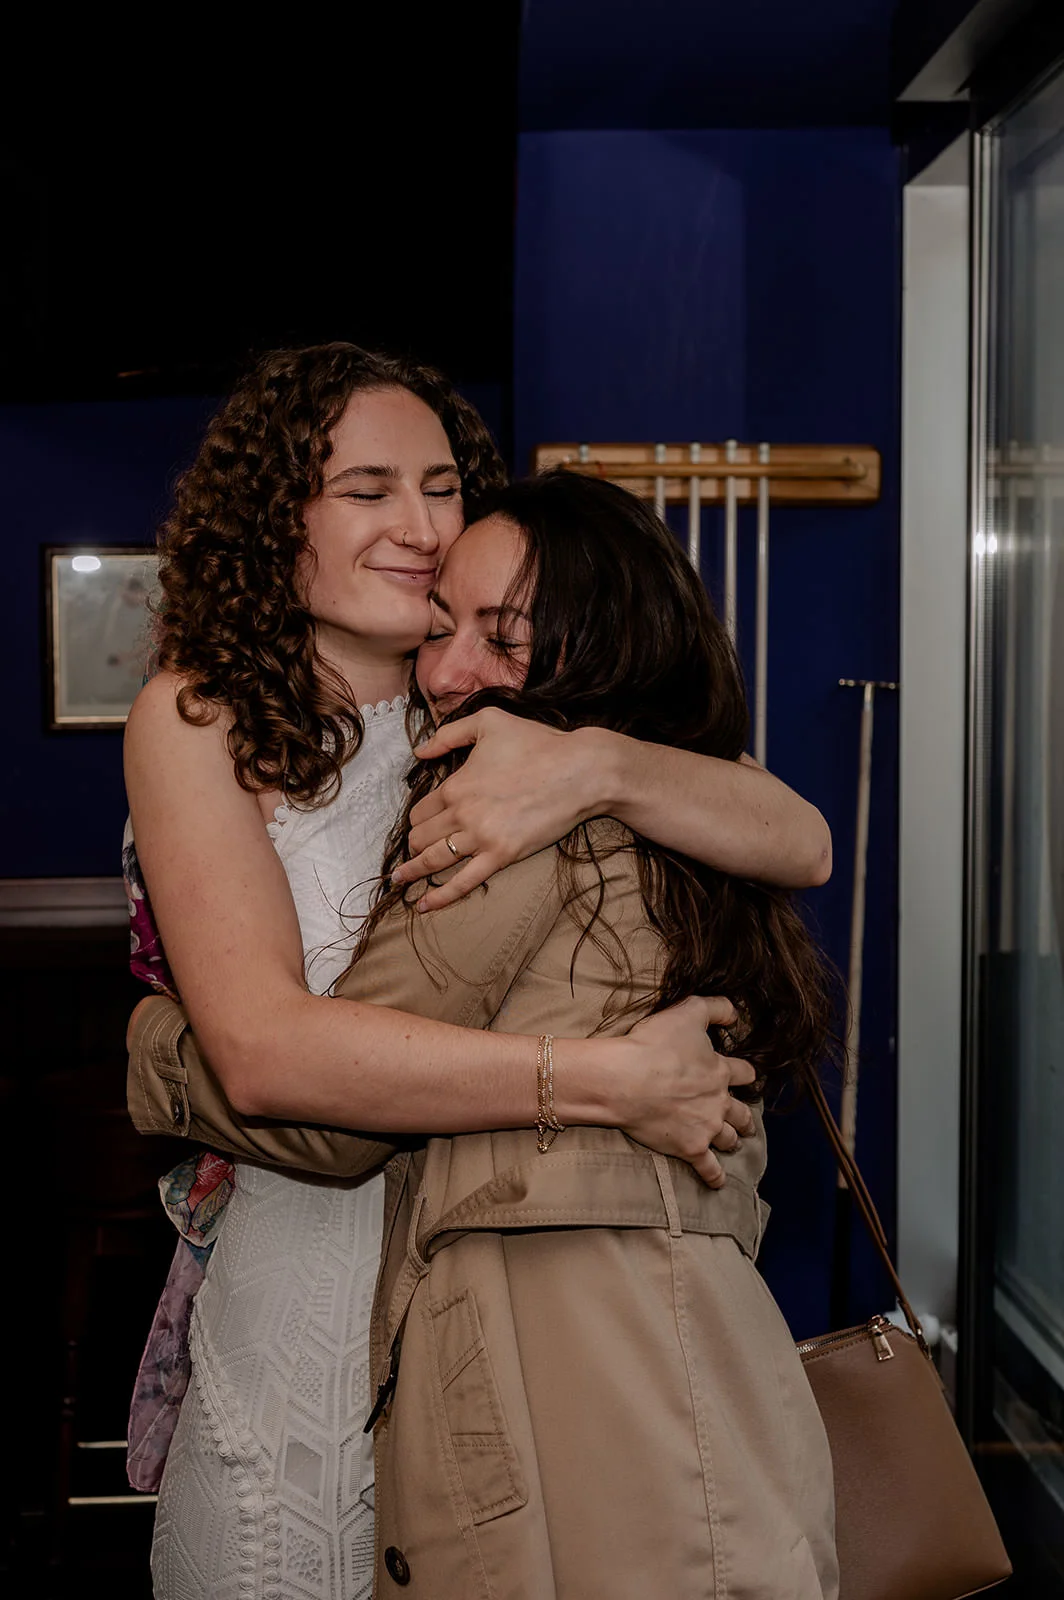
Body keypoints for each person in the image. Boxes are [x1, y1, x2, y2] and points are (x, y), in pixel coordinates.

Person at [123, 343, 833, 1598]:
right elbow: (267, 1056)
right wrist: (605, 1077)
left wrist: (597, 763)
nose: (418, 523)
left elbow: (801, 837)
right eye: (366, 489)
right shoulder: (203, 715)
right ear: (275, 517)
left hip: (486, 1285)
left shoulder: (508, 707)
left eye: (442, 484)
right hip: (309, 1275)